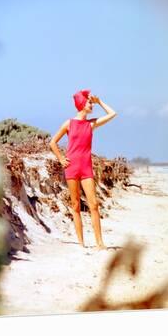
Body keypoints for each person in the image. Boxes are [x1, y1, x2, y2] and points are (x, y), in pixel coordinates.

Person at [49, 90, 117, 250]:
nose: (91, 104)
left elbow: (113, 113)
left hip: (86, 168)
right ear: (81, 104)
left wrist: (100, 101)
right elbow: (53, 142)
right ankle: (81, 244)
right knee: (76, 205)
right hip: (71, 167)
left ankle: (100, 243)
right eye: (89, 102)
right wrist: (61, 158)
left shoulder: (90, 124)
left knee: (93, 205)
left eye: (91, 102)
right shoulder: (68, 124)